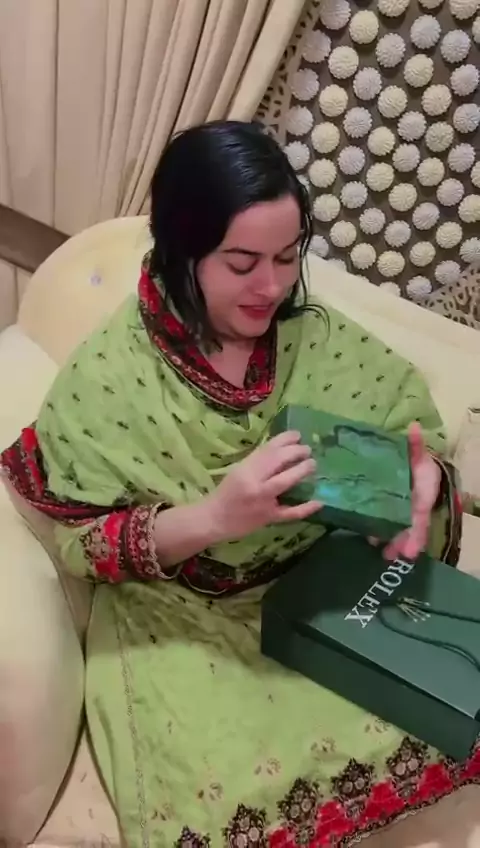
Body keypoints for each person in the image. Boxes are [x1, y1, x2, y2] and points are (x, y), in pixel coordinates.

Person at [1, 121, 473, 848]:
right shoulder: (110, 378)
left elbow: (409, 435)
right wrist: (217, 517)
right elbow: (83, 545)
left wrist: (418, 485)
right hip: (186, 615)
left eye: (288, 256)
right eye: (243, 262)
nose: (273, 286)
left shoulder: (313, 334)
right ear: (181, 249)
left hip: (325, 583)